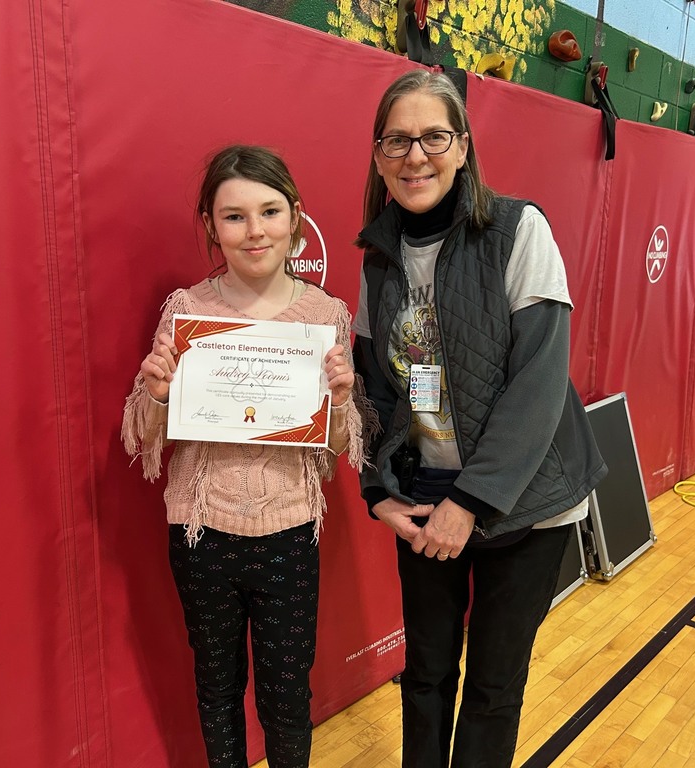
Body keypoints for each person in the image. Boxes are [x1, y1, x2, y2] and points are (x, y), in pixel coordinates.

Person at [352, 71, 607, 767]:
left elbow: (539, 383)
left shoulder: (520, 230)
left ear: (463, 147)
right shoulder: (376, 263)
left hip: (524, 507)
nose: (415, 155)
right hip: (424, 504)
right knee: (426, 678)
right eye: (397, 140)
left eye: (434, 136)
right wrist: (379, 491)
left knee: (495, 687)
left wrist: (471, 500)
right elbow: (375, 393)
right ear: (378, 157)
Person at [122, 145, 368, 768]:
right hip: (202, 537)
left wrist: (340, 399)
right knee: (217, 688)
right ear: (210, 225)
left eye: (269, 212)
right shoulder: (186, 312)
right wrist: (155, 393)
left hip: (289, 536)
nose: (254, 231)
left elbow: (338, 448)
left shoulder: (325, 316)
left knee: (287, 699)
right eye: (234, 217)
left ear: (295, 219)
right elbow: (147, 437)